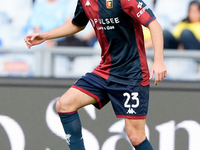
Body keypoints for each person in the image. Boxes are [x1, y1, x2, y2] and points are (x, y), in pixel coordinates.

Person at [24, 0, 167, 149]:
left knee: (136, 137)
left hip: (131, 74)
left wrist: (158, 61)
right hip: (105, 70)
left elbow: (154, 25)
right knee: (64, 104)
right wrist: (45, 36)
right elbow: (77, 24)